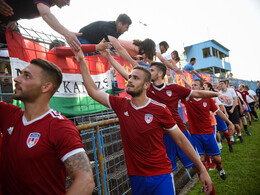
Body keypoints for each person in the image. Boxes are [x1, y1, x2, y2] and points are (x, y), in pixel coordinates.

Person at [74, 49, 213, 195]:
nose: (130, 80)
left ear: (146, 85)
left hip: (161, 176)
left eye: (135, 78)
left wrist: (202, 169)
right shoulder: (121, 105)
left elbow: (181, 140)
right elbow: (94, 91)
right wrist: (82, 61)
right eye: (130, 77)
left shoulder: (160, 109)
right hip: (136, 178)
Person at [0, 58, 95, 194]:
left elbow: (85, 180)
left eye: (26, 76)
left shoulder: (60, 127)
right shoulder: (9, 115)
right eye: (20, 74)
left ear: (45, 87)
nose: (17, 79)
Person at [182, 79, 234, 181]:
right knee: (200, 160)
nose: (192, 87)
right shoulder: (187, 99)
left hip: (208, 133)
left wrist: (229, 122)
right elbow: (173, 92)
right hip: (195, 134)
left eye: (195, 85)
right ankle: (206, 181)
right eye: (192, 85)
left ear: (201, 88)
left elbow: (218, 112)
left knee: (217, 159)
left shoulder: (208, 99)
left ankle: (220, 168)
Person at [0, 0, 81, 50]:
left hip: (6, 22)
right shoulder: (44, 7)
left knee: (18, 49)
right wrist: (67, 33)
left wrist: (15, 19)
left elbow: (20, 6)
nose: (68, 4)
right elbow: (46, 14)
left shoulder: (47, 4)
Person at [204, 82, 233, 152]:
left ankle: (229, 143)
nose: (203, 86)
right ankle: (219, 144)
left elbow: (221, 105)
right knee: (215, 132)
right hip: (210, 117)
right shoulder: (201, 95)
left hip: (217, 115)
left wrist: (225, 113)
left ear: (209, 88)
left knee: (225, 131)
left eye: (205, 85)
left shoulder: (213, 95)